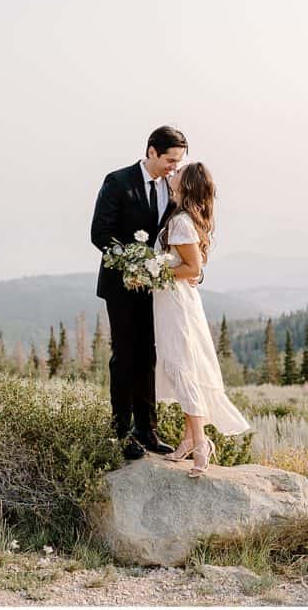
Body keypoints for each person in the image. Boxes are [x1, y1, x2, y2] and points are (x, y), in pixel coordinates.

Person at [90, 125, 193, 460]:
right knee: (124, 356)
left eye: (178, 162)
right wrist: (133, 263)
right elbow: (99, 233)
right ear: (151, 151)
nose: (173, 167)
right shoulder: (117, 182)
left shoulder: (173, 187)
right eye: (169, 160)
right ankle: (120, 433)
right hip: (121, 285)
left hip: (156, 288)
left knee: (148, 355)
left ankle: (147, 430)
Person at [153, 162, 250, 477]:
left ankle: (201, 442)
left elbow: (192, 270)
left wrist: (153, 271)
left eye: (178, 172)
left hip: (176, 303)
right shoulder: (178, 216)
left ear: (187, 184)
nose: (173, 173)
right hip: (172, 301)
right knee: (181, 365)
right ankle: (187, 439)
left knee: (182, 367)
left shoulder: (181, 221)